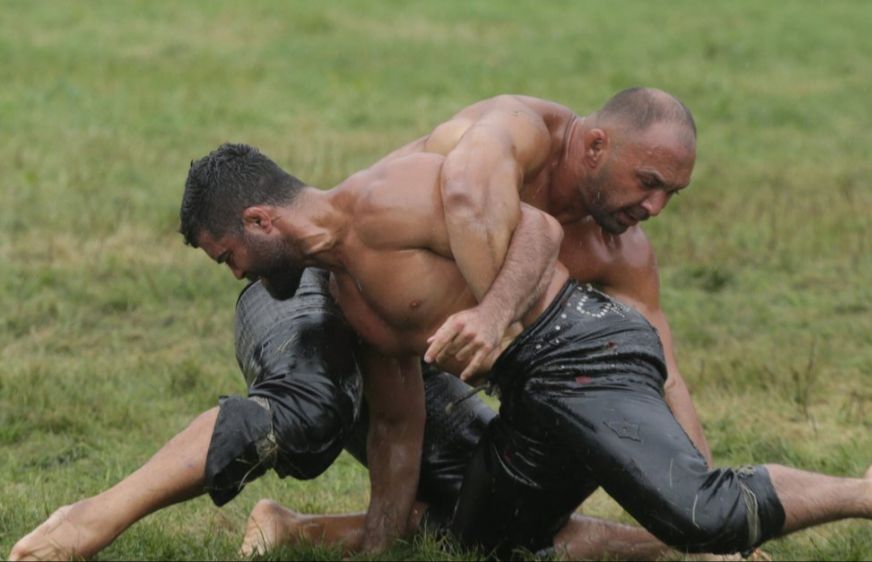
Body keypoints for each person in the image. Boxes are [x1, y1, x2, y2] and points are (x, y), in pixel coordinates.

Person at [181, 143, 872, 557]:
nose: (237, 277)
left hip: (580, 351)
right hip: (531, 395)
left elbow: (537, 228)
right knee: (485, 548)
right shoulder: (352, 289)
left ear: (260, 222)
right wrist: (382, 541)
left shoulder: (392, 201)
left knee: (703, 514)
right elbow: (395, 422)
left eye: (227, 260)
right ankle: (299, 524)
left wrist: (496, 317)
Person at [12, 88, 717, 560]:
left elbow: (665, 371)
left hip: (405, 330)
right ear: (595, 147)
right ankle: (91, 516)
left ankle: (292, 528)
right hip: (311, 274)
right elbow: (483, 199)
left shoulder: (620, 251)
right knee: (309, 408)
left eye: (670, 194)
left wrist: (704, 507)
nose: (653, 206)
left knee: (489, 512)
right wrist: (498, 318)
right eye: (647, 182)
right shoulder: (513, 132)